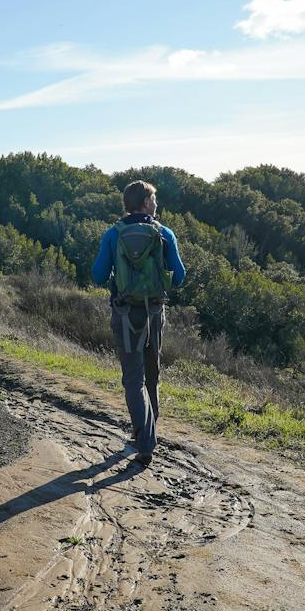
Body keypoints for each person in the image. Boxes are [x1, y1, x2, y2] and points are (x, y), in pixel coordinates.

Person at [91, 180, 186, 466]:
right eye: (154, 199)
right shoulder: (164, 233)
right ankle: (149, 432)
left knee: (133, 379)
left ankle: (144, 440)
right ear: (145, 203)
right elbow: (179, 276)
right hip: (155, 314)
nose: (156, 204)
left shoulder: (113, 234)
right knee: (152, 373)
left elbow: (97, 275)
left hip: (124, 314)